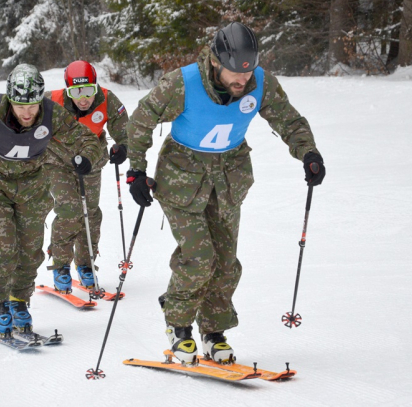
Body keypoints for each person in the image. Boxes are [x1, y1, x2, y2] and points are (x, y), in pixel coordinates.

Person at [125, 22, 326, 364]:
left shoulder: (259, 83)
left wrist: (308, 153)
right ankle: (179, 326)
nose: (242, 81)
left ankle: (213, 331)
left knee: (226, 264)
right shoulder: (183, 83)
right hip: (181, 178)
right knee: (200, 258)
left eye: (247, 73)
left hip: (229, 179)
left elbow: (289, 121)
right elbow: (141, 121)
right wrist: (136, 171)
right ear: (216, 62)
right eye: (235, 72)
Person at [0, 64, 101, 337]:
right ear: (10, 100)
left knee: (31, 251)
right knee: (5, 246)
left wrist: (87, 157)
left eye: (32, 106)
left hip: (32, 186)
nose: (27, 113)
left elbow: (85, 138)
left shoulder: (52, 114)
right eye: (20, 106)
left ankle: (19, 300)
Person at [43, 60, 129, 292]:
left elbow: (124, 129)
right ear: (68, 90)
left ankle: (86, 264)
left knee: (90, 212)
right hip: (57, 161)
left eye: (88, 91)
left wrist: (123, 146)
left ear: (96, 87)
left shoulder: (107, 100)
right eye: (76, 92)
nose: (83, 99)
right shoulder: (52, 100)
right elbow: (26, 117)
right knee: (70, 209)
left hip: (91, 160)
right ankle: (61, 265)